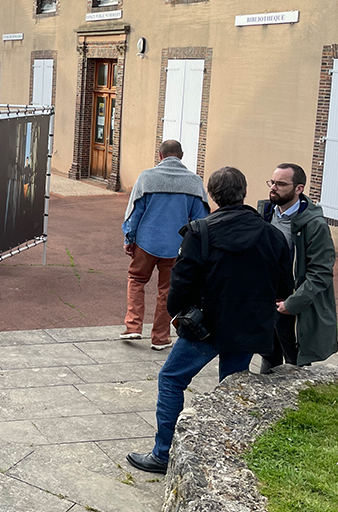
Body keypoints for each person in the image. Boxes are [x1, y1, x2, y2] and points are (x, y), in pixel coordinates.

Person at [126, 167, 293, 474]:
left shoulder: (200, 232)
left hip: (207, 325)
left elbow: (182, 283)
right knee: (231, 389)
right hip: (249, 324)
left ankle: (164, 453)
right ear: (243, 191)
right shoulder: (273, 236)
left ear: (213, 196)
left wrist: (177, 313)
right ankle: (228, 457)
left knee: (172, 379)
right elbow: (285, 286)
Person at [121, 140, 209, 349]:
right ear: (182, 156)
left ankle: (133, 327)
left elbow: (135, 212)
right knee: (167, 290)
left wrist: (129, 239)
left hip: (146, 241)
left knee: (136, 280)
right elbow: (201, 219)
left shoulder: (147, 178)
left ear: (160, 156)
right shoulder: (194, 182)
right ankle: (160, 337)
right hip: (177, 246)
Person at [258, 163, 337, 369]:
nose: (273, 187)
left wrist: (293, 304)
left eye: (281, 184)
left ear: (299, 188)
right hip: (266, 300)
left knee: (295, 364)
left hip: (291, 306)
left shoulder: (314, 224)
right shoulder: (265, 213)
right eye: (272, 182)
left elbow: (321, 273)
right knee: (267, 357)